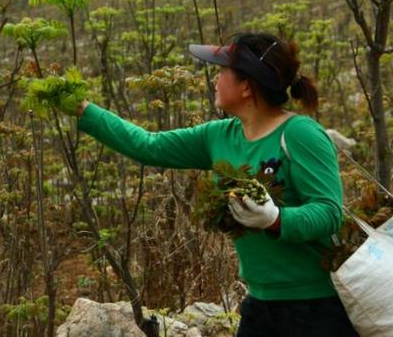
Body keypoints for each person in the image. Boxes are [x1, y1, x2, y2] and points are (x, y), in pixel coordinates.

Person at [59, 32, 359, 337]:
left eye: (222, 71)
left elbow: (329, 211)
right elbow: (149, 146)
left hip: (315, 307)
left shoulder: (300, 134)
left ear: (246, 86)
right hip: (259, 304)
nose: (215, 79)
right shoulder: (219, 136)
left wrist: (276, 219)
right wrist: (85, 110)